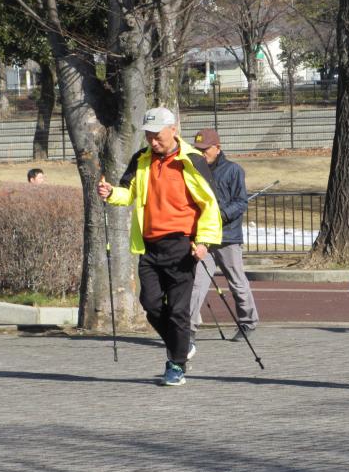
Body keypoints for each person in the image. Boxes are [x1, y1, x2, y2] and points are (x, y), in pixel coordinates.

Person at [96, 107, 221, 386]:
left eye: (157, 136)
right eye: (149, 136)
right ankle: (182, 344)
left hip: (182, 246)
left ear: (173, 130)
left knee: (177, 310)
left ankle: (176, 365)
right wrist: (111, 193)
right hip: (150, 246)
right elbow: (128, 192)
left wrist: (205, 243)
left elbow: (210, 205)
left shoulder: (192, 160)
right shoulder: (141, 159)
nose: (153, 142)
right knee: (150, 304)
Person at [188, 128, 258, 346]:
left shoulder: (233, 170)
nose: (201, 153)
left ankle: (247, 322)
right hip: (203, 238)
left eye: (205, 149)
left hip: (228, 236)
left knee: (237, 282)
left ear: (217, 148)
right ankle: (187, 329)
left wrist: (220, 215)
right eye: (197, 149)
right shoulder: (193, 170)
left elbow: (241, 202)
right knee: (196, 284)